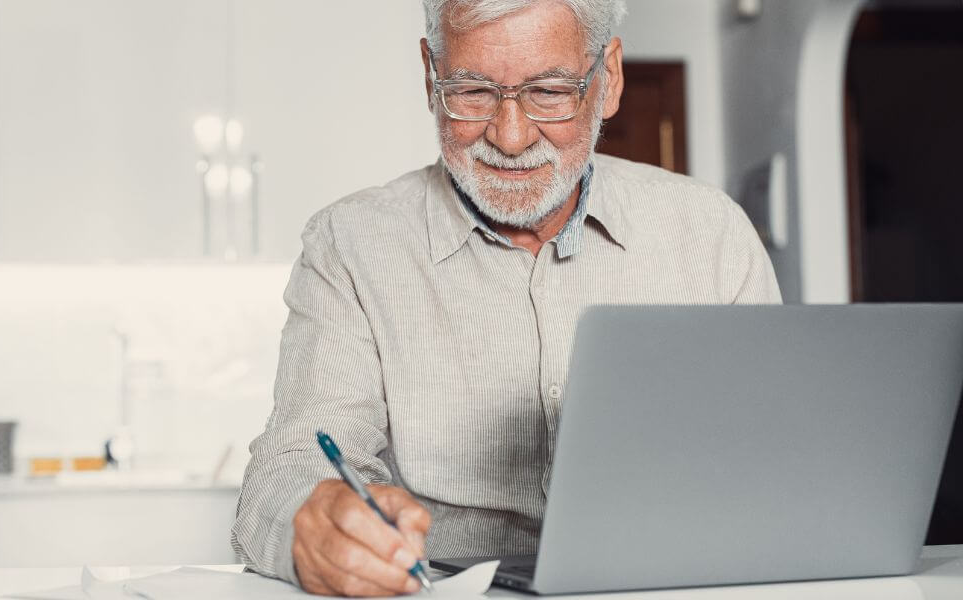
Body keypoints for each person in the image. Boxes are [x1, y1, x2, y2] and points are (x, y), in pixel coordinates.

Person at [231, 0, 781, 596]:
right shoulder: (350, 243)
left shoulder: (712, 234)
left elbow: (780, 460)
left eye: (549, 91)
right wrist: (314, 526)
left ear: (610, 78)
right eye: (471, 92)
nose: (511, 138)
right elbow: (291, 465)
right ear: (429, 76)